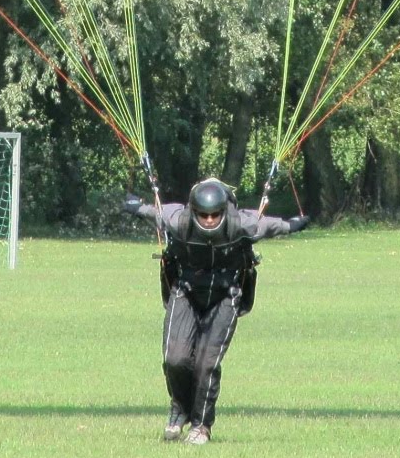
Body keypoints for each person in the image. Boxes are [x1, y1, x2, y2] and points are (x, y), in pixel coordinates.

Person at [124, 177, 306, 444]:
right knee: (174, 359)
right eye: (203, 215)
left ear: (224, 212)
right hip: (185, 290)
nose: (209, 220)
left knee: (207, 363)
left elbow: (270, 225)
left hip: (225, 295)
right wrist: (136, 207)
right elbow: (156, 213)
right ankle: (179, 409)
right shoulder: (179, 221)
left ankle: (201, 425)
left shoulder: (241, 224)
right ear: (194, 212)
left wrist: (293, 225)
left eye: (215, 215)